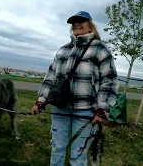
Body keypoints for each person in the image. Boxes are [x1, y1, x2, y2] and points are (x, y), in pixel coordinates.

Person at [31, 11, 118, 166]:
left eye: (81, 21)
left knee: (78, 155)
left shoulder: (100, 49)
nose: (76, 23)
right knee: (57, 148)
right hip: (60, 109)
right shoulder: (63, 50)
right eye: (73, 22)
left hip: (85, 111)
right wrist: (41, 101)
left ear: (91, 26)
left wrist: (101, 109)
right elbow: (51, 77)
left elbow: (109, 81)